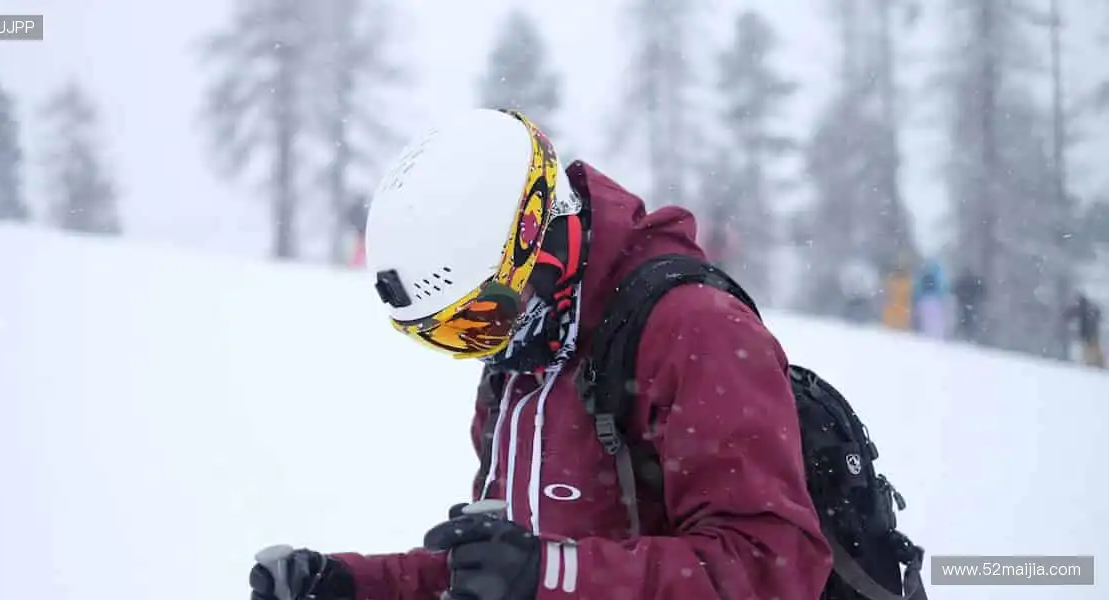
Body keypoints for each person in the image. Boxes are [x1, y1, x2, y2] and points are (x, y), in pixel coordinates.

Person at [247, 109, 832, 600]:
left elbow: (773, 567)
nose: (487, 350)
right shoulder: (521, 369)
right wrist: (352, 584)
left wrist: (549, 574)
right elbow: (501, 570)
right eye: (452, 336)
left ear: (541, 241)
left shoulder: (694, 333)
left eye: (484, 319)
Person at [1065, 293, 1105, 368]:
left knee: (1090, 349)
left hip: (1088, 334)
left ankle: (1092, 363)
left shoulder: (1084, 308)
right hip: (1092, 333)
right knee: (1094, 348)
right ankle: (1098, 363)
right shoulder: (1090, 308)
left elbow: (1072, 313)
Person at [912, 259, 948, 340]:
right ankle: (935, 336)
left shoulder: (923, 276)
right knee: (935, 321)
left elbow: (918, 289)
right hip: (934, 300)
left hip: (926, 300)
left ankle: (928, 335)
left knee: (926, 321)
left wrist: (918, 299)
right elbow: (942, 288)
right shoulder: (936, 275)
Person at [951, 268, 985, 343]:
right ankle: (968, 336)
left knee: (963, 319)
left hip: (964, 303)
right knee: (969, 320)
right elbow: (981, 290)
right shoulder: (974, 281)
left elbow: (955, 289)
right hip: (971, 303)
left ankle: (960, 336)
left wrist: (959, 296)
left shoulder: (963, 280)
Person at [881, 260, 914, 331]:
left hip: (894, 310)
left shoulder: (892, 282)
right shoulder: (906, 282)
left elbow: (887, 294)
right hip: (902, 310)